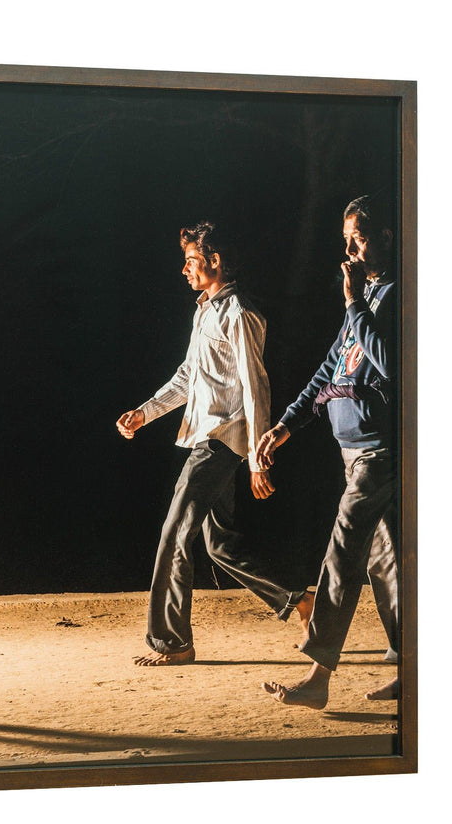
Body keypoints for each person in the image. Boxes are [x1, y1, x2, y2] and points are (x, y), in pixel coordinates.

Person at [116, 221, 314, 667]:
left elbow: (254, 386)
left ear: (215, 261)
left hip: (221, 441)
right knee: (219, 546)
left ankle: (172, 642)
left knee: (174, 534)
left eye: (191, 261)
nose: (185, 270)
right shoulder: (204, 310)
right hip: (202, 437)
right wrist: (145, 412)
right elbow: (189, 376)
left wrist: (258, 459)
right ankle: (300, 601)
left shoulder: (240, 313)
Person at [258, 195, 400, 709]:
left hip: (379, 451)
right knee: (388, 562)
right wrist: (286, 424)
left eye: (357, 238)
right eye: (346, 240)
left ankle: (318, 676)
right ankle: (415, 670)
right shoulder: (367, 295)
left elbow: (391, 365)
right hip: (351, 450)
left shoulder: (400, 293)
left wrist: (354, 303)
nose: (349, 250)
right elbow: (331, 369)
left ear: (385, 235)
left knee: (343, 553)